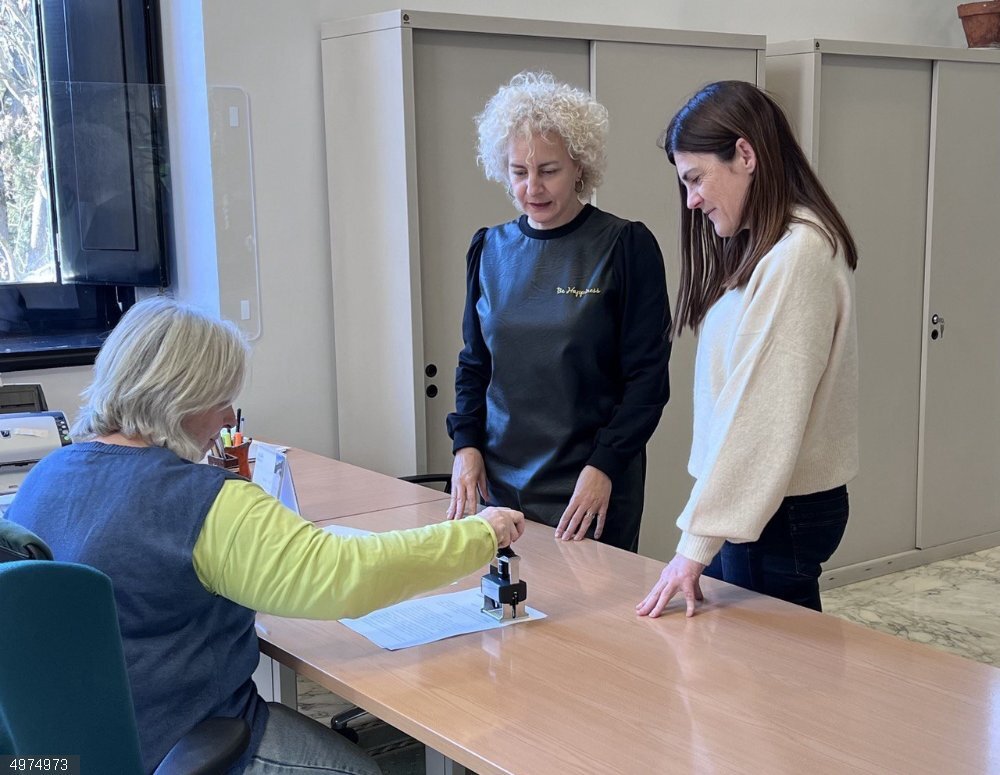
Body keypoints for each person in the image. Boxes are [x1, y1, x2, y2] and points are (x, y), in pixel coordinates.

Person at [5, 296, 524, 775]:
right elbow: (347, 575)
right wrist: (482, 533)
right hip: (174, 742)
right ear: (180, 398)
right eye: (222, 399)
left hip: (66, 748)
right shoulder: (202, 500)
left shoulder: (48, 473)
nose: (231, 418)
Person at [636, 81, 859, 618]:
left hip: (774, 510)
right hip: (758, 505)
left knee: (773, 688)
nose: (691, 200)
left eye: (696, 178)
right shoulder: (772, 246)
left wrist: (693, 548)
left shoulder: (796, 254)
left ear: (745, 154)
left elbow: (758, 414)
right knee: (759, 679)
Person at [446, 71, 672, 553]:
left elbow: (648, 380)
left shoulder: (625, 246)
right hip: (500, 481)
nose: (533, 188)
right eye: (518, 171)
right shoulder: (488, 248)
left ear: (579, 166)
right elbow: (474, 364)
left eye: (548, 170)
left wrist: (605, 466)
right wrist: (465, 447)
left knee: (585, 622)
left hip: (590, 483)